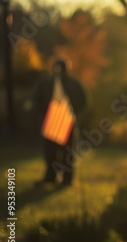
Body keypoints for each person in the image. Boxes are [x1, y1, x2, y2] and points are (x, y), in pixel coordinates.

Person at [33, 59, 87, 188]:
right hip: (51, 122)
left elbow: (83, 100)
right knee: (50, 152)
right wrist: (44, 115)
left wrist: (73, 113)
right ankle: (50, 177)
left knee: (67, 152)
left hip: (67, 122)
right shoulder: (46, 83)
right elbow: (37, 100)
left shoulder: (74, 84)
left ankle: (67, 179)